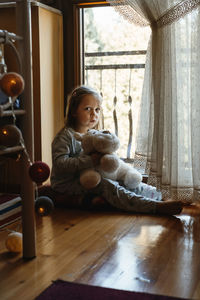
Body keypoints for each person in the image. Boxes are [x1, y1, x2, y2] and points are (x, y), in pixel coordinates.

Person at [50, 85, 190, 215]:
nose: (94, 114)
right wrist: (89, 160)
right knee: (109, 185)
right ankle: (153, 207)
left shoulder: (92, 135)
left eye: (97, 109)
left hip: (91, 177)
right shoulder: (65, 137)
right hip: (68, 184)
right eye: (87, 109)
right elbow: (60, 164)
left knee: (126, 180)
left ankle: (161, 195)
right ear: (74, 111)